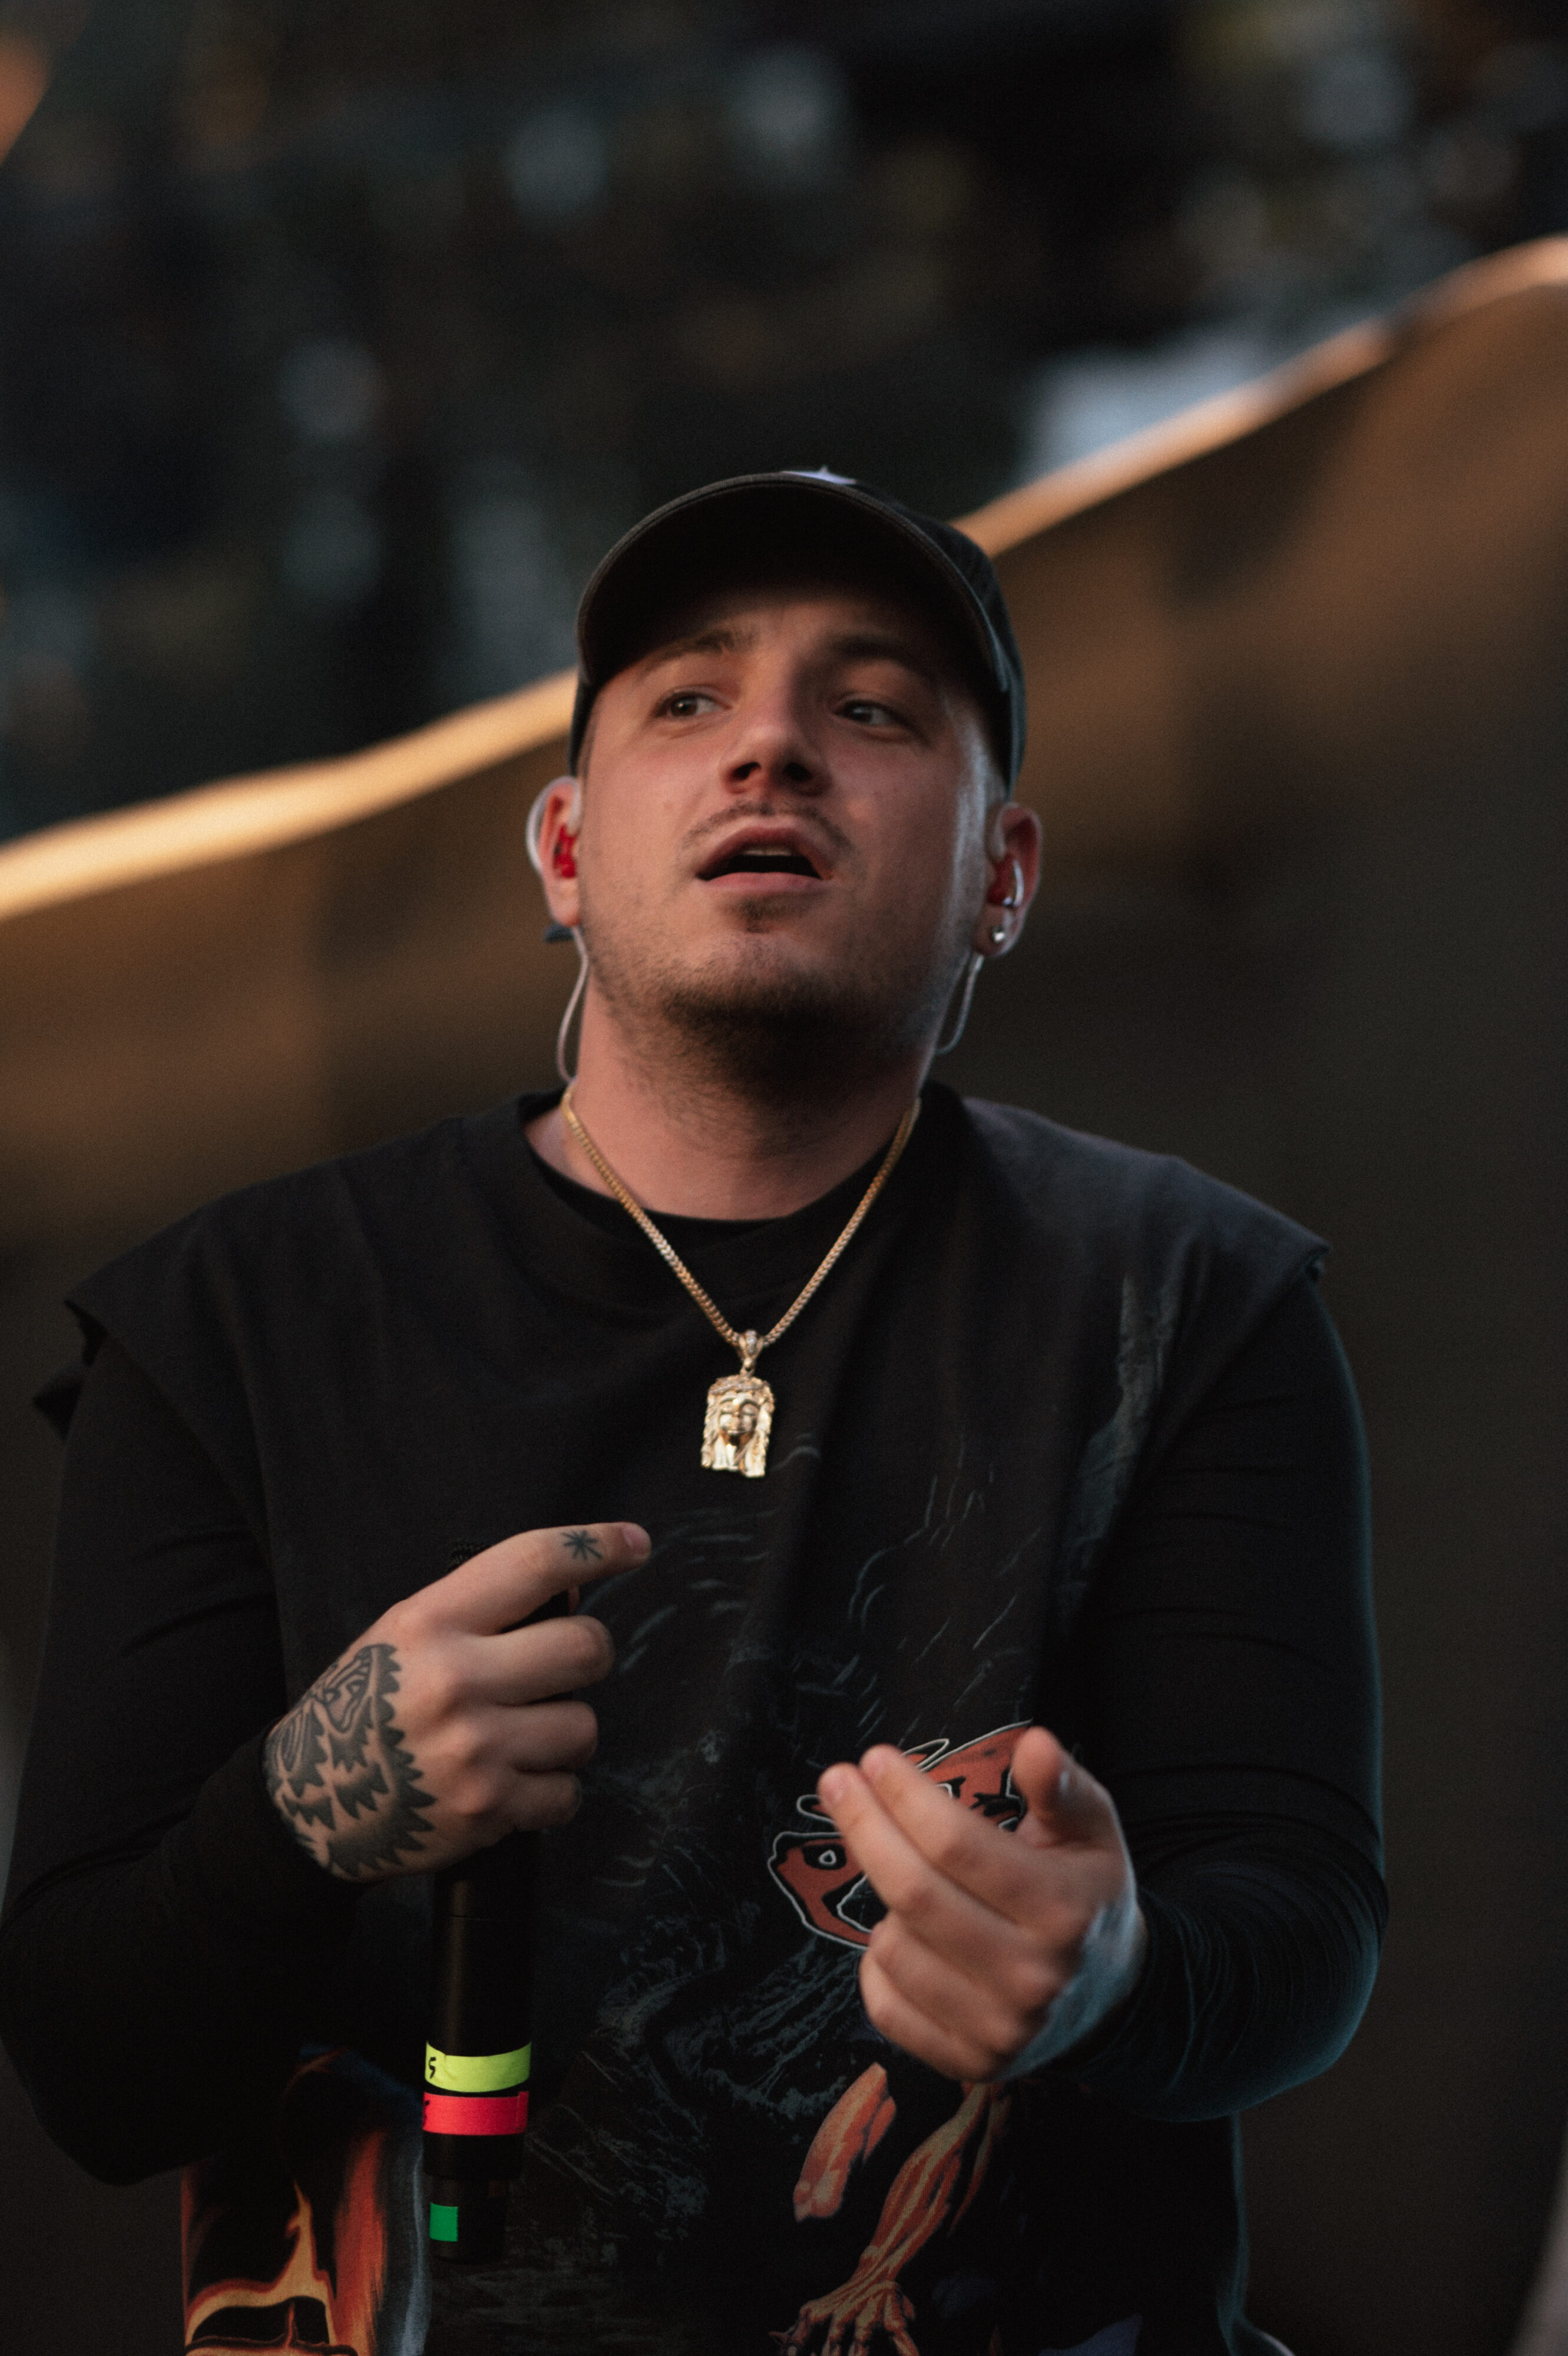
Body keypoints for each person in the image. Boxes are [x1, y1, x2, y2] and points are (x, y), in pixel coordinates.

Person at [0, 470, 1382, 2356]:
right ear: (565, 850)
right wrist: (306, 1808)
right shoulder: (229, 1327)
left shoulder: (1191, 1298)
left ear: (1003, 877)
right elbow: (93, 2072)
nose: (773, 749)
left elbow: (1305, 1931)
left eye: (873, 708)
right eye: (689, 700)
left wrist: (1117, 1976)